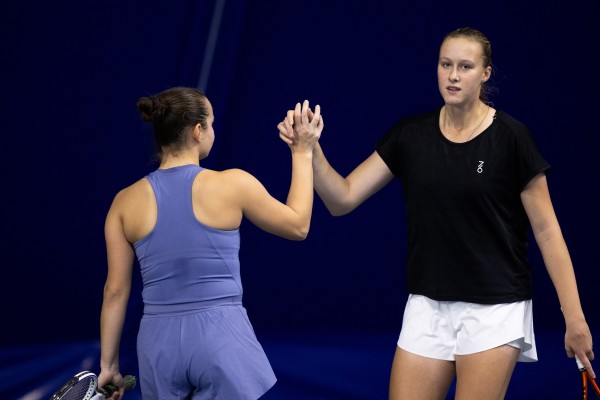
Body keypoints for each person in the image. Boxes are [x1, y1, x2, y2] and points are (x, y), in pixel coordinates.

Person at [279, 27, 594, 399]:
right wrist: (309, 150)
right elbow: (342, 199)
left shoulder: (512, 139)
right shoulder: (410, 135)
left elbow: (547, 232)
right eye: (446, 65)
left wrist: (574, 317)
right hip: (427, 304)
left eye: (465, 66)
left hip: (495, 307)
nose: (453, 75)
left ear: (486, 73)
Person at [98, 86, 322, 400]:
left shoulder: (123, 202)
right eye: (212, 123)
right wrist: (302, 151)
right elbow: (298, 226)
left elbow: (115, 290)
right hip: (220, 338)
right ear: (198, 131)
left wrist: (108, 365)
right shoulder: (232, 183)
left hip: (157, 346)